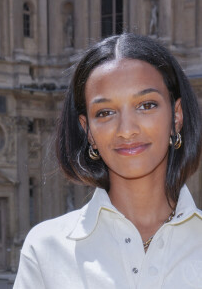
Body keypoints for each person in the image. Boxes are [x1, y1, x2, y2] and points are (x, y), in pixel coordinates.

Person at [13, 33, 202, 288]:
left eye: (146, 105)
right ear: (88, 131)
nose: (126, 129)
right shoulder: (45, 249)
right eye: (105, 112)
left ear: (176, 116)